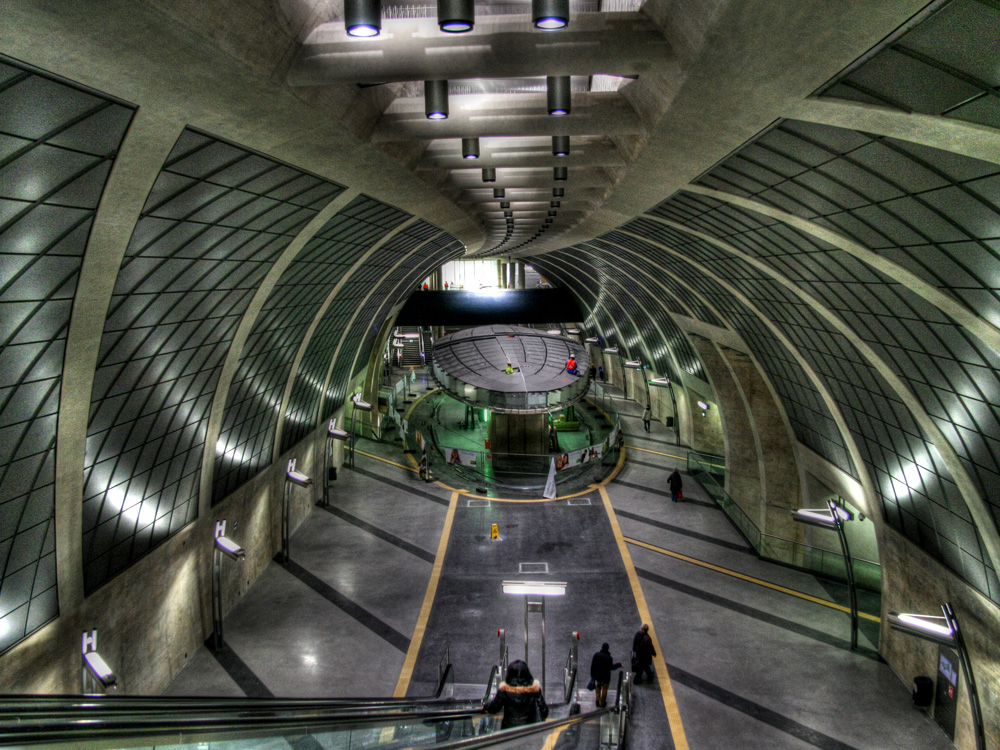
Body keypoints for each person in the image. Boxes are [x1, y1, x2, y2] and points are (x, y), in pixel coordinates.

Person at [484, 660, 548, 728]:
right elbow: (544, 711)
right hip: (529, 731)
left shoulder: (504, 690)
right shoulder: (535, 690)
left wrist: (485, 706)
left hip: (509, 731)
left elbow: (494, 708)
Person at [590, 643, 622, 708]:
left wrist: (592, 674)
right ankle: (602, 702)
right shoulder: (609, 658)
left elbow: (593, 665)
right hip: (606, 677)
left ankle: (597, 699)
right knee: (604, 689)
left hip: (598, 676)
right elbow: (612, 667)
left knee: (598, 687)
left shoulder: (596, 655)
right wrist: (619, 664)